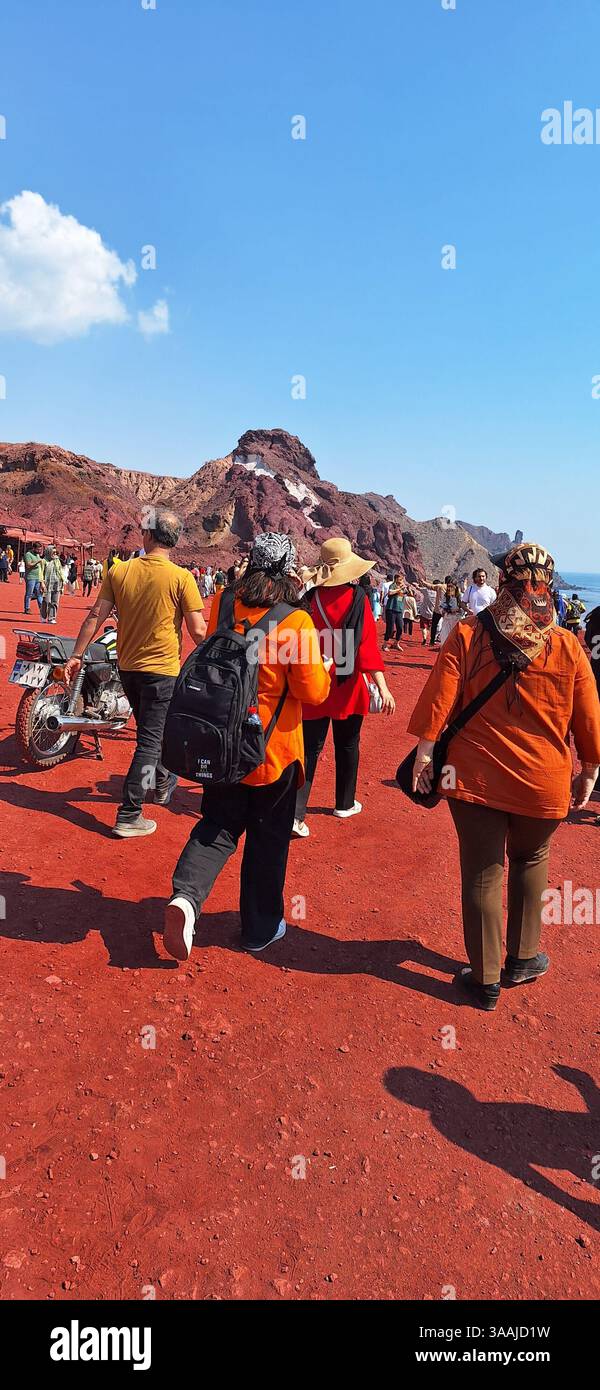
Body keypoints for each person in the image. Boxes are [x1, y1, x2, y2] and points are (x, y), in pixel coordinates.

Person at [407, 541, 600, 1011]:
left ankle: (486, 977)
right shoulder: (566, 646)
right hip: (543, 780)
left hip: (473, 778)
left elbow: (441, 697)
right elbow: (589, 717)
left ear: (504, 584)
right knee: (532, 861)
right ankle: (523, 958)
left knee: (482, 871)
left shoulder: (470, 634)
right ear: (546, 588)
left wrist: (426, 753)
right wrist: (589, 770)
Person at [164, 533, 331, 961]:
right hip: (272, 752)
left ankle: (185, 899)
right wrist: (324, 666)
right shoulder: (295, 621)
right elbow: (312, 693)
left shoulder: (223, 602)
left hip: (219, 744)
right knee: (268, 840)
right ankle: (259, 929)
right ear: (290, 571)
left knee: (217, 825)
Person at [64, 508, 207, 837]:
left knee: (150, 734)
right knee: (149, 741)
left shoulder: (120, 571)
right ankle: (130, 812)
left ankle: (161, 783)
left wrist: (76, 655)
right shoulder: (182, 578)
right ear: (173, 540)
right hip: (162, 672)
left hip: (127, 669)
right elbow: (198, 631)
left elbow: (94, 617)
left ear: (148, 535)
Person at [293, 537, 395, 838]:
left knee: (309, 749)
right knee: (348, 745)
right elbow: (365, 649)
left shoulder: (309, 597)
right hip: (347, 681)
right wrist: (383, 687)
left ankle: (296, 813)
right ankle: (344, 802)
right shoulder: (358, 597)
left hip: (315, 679)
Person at [437, 579, 465, 646]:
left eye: (451, 586)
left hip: (457, 620)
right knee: (445, 639)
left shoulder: (461, 596)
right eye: (448, 586)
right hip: (447, 620)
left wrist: (457, 610)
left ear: (455, 587)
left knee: (456, 640)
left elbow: (464, 608)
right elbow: (441, 607)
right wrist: (446, 611)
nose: (449, 588)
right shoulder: (445, 596)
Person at [42, 546, 64, 624]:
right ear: (48, 552)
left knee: (55, 601)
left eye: (55, 552)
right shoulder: (44, 561)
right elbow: (41, 573)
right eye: (53, 552)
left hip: (57, 584)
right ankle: (43, 616)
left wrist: (62, 581)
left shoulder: (57, 560)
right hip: (47, 584)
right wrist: (42, 583)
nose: (55, 554)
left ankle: (52, 618)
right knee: (46, 601)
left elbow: (60, 570)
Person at [383, 574, 405, 650]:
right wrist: (399, 589)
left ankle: (396, 643)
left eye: (402, 579)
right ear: (396, 579)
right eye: (400, 579)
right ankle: (385, 644)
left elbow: (409, 594)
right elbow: (390, 592)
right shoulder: (392, 585)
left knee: (400, 627)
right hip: (391, 609)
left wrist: (406, 589)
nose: (401, 581)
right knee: (390, 628)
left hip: (399, 610)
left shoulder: (403, 588)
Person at [24, 543, 45, 616]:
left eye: (40, 549)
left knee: (39, 594)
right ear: (34, 548)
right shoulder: (28, 554)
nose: (39, 551)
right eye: (38, 549)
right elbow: (28, 565)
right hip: (30, 577)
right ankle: (27, 608)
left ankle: (42, 609)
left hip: (38, 577)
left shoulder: (38, 555)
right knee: (29, 593)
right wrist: (37, 562)